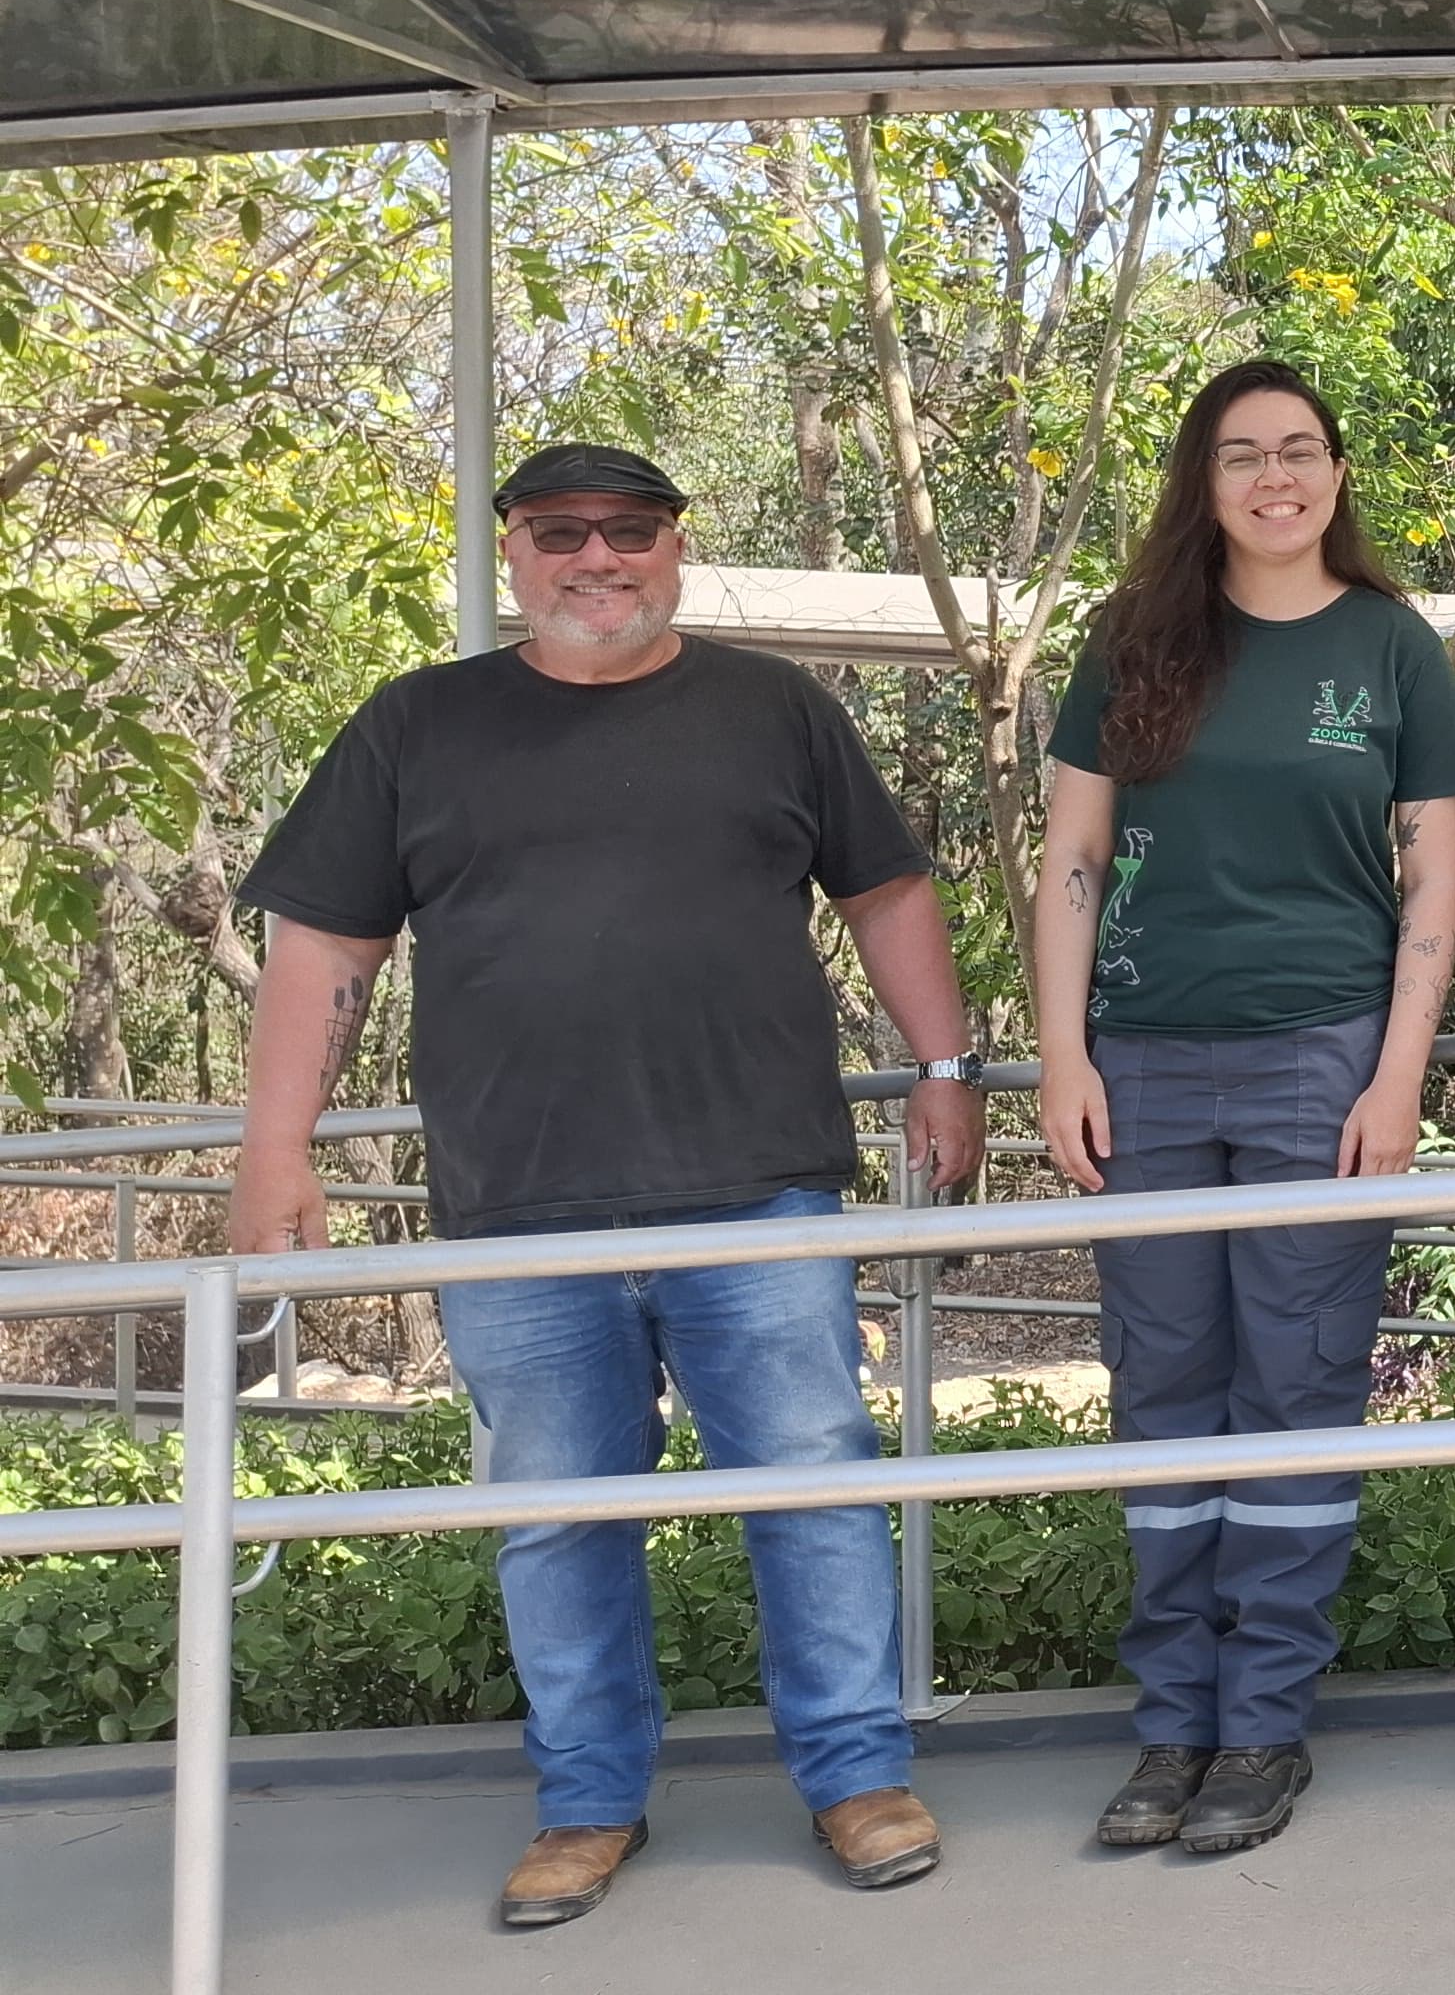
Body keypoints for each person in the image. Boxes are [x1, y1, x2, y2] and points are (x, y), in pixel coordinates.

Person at [228, 441, 977, 1927]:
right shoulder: (415, 727)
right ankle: (585, 1802)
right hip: (519, 1205)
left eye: (628, 532)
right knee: (558, 1514)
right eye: (561, 531)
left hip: (756, 1188)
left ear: (675, 548)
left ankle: (853, 1774)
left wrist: (945, 1069)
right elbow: (326, 947)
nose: (597, 558)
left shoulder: (776, 709)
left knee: (817, 1493)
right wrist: (272, 1152)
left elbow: (887, 888)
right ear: (512, 551)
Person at [1033, 362, 1455, 1855]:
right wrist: (1062, 1053)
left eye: (1301, 449)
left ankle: (1264, 1729)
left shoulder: (1394, 650)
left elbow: (1435, 885)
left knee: (1295, 1388)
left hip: (1323, 1057)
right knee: (1163, 1395)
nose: (1275, 476)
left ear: (1338, 475)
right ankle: (1171, 1728)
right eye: (1242, 454)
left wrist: (1401, 1072)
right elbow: (1073, 863)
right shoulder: (1136, 639)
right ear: (1202, 480)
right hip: (1145, 1052)